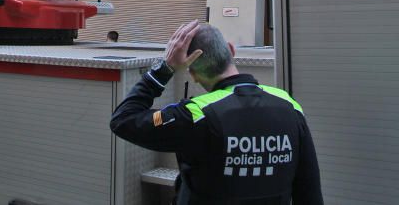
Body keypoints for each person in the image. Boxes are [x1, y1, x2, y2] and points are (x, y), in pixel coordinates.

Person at [110, 20, 323, 204]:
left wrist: (166, 68)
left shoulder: (195, 115)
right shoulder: (289, 107)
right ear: (231, 50)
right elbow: (309, 191)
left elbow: (124, 119)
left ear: (191, 73)